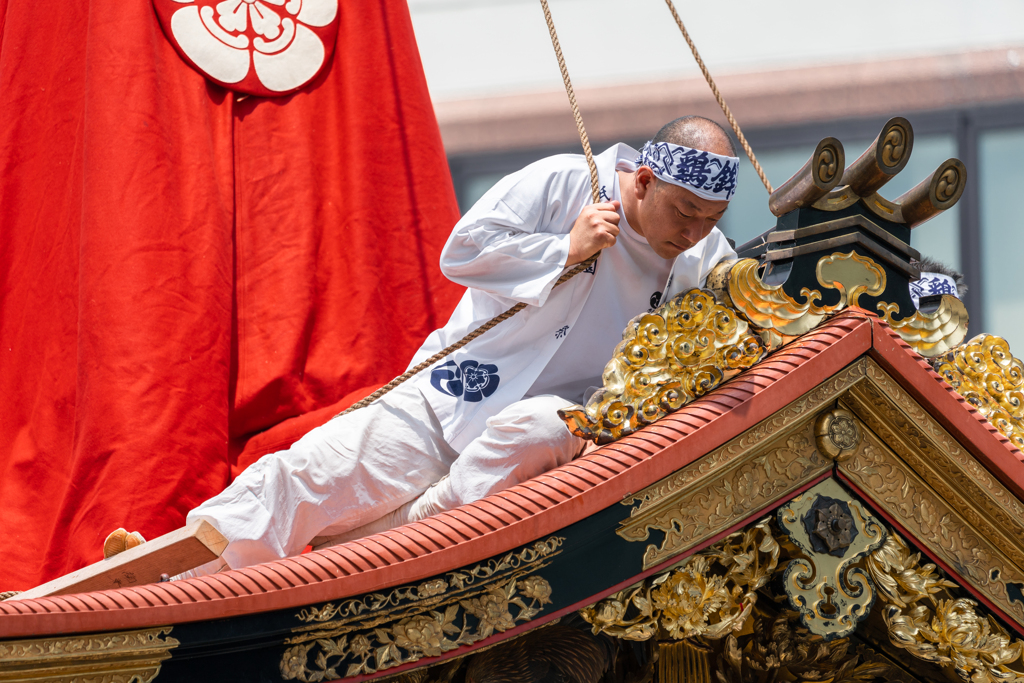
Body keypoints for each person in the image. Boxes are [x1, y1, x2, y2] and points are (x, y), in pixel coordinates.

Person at [181, 115, 740, 575]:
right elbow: (464, 250)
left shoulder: (706, 254)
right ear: (643, 180)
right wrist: (564, 248)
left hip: (562, 421)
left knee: (539, 431)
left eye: (710, 219)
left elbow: (740, 311)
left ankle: (396, 537)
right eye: (685, 212)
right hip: (460, 388)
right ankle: (179, 570)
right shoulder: (567, 182)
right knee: (312, 469)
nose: (693, 233)